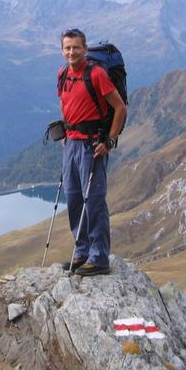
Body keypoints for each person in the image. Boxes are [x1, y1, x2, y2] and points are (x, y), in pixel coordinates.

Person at [58, 28, 127, 276]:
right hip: (71, 144)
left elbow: (120, 108)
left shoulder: (96, 74)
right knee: (74, 198)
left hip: (92, 146)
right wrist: (65, 130)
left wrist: (110, 140)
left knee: (94, 201)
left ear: (85, 49)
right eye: (67, 48)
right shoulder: (63, 74)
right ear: (62, 50)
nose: (71, 52)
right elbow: (65, 102)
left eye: (76, 47)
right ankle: (82, 251)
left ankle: (99, 258)